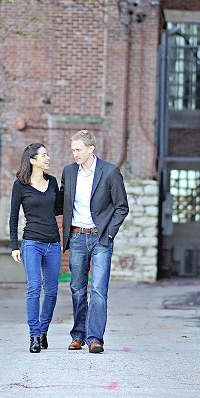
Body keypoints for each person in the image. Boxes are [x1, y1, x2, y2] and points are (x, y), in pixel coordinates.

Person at [61, 130, 129, 354]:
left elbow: (121, 207)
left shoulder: (110, 172)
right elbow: (61, 202)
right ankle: (78, 335)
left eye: (78, 149)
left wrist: (109, 234)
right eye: (73, 150)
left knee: (98, 290)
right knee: (77, 289)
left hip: (100, 238)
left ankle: (95, 338)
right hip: (77, 236)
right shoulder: (69, 172)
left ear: (91, 149)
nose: (75, 154)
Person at [9, 143, 64, 353]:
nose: (48, 158)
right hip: (31, 242)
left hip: (52, 242)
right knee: (34, 287)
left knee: (51, 291)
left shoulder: (52, 183)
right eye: (44, 155)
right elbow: (13, 217)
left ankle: (43, 331)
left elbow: (59, 209)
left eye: (47, 154)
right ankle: (34, 336)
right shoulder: (20, 185)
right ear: (32, 160)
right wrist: (15, 245)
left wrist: (65, 191)